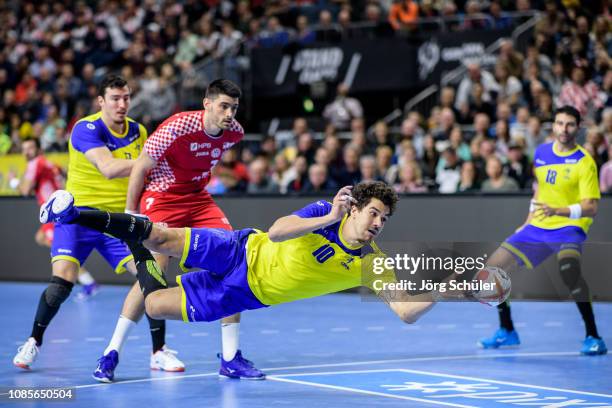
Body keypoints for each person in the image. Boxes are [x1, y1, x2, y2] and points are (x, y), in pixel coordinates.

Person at [39, 182, 441, 338]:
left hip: (242, 294)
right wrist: (329, 217)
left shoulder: (373, 262)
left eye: (384, 219)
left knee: (152, 304)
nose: (378, 223)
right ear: (354, 209)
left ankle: (139, 250)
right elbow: (279, 229)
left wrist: (455, 287)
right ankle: (72, 213)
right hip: (241, 249)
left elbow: (405, 311)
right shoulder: (326, 213)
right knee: (161, 234)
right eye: (373, 212)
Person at [13, 75, 185, 382]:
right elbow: (108, 169)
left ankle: (158, 352)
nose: (122, 104)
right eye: (115, 99)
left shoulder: (139, 130)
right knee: (62, 282)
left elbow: (142, 175)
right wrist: (161, 158)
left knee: (152, 276)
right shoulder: (85, 128)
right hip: (78, 216)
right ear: (101, 102)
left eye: (126, 98)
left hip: (118, 220)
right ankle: (33, 342)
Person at [122, 79, 263, 380]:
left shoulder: (234, 133)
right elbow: (141, 168)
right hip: (161, 196)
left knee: (235, 261)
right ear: (207, 103)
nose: (229, 113)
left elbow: (207, 157)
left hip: (198, 199)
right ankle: (112, 352)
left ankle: (230, 358)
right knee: (155, 271)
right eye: (224, 106)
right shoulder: (177, 126)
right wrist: (130, 217)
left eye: (234, 108)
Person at [477, 106, 607, 355]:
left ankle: (593, 336)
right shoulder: (542, 153)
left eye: (570, 124)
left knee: (569, 271)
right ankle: (507, 331)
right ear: (554, 126)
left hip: (570, 226)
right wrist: (527, 222)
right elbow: (539, 191)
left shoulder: (585, 162)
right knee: (491, 270)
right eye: (559, 123)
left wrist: (558, 212)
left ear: (577, 128)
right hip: (538, 225)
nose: (564, 129)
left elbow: (591, 208)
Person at [19, 137, 100, 301]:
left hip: (54, 214)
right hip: (59, 210)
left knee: (61, 253)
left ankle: (88, 283)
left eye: (30, 148)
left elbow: (25, 190)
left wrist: (15, 181)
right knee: (41, 238)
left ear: (38, 149)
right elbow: (63, 175)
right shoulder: (51, 164)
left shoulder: (35, 163)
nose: (27, 151)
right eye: (24, 148)